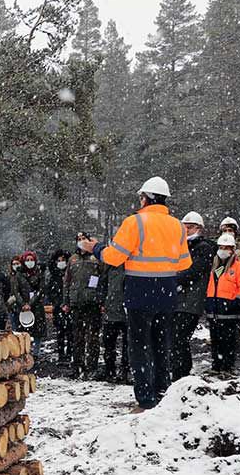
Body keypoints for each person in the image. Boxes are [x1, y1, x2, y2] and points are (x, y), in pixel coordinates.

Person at [81, 176, 192, 412]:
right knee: (162, 343)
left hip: (140, 291)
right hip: (167, 291)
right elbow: (184, 263)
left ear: (146, 198)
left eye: (141, 197)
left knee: (140, 345)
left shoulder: (135, 222)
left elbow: (114, 257)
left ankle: (145, 398)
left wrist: (96, 248)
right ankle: (163, 391)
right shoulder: (177, 226)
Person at [171, 211, 217, 380]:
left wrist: (172, 278)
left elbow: (194, 272)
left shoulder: (203, 248)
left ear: (199, 229)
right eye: (184, 227)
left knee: (179, 338)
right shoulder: (183, 247)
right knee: (176, 338)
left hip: (191, 300)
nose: (186, 230)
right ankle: (178, 371)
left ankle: (181, 372)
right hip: (180, 299)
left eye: (190, 227)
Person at [205, 233, 240, 374]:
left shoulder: (239, 267)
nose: (223, 250)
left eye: (226, 247)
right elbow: (212, 286)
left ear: (232, 249)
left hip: (230, 313)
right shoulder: (216, 267)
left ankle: (227, 367)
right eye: (221, 247)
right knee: (216, 340)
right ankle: (217, 366)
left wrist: (235, 303)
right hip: (215, 311)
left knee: (229, 341)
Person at [63, 234, 104, 379]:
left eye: (84, 239)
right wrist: (66, 301)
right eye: (78, 240)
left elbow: (103, 279)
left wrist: (101, 300)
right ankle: (77, 366)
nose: (81, 242)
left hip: (92, 302)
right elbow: (67, 282)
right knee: (77, 337)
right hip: (76, 302)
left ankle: (92, 367)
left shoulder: (96, 257)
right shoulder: (72, 259)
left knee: (93, 337)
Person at [11, 251, 47, 358]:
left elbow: (41, 290)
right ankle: (24, 353)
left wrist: (30, 303)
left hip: (36, 306)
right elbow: (16, 291)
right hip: (21, 307)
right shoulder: (19, 274)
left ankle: (35, 353)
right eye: (27, 260)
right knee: (22, 331)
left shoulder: (39, 273)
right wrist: (23, 303)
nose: (29, 262)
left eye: (31, 260)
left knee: (37, 331)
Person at [99, 262, 129, 383]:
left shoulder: (132, 263)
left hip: (127, 310)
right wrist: (102, 300)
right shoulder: (110, 265)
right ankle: (110, 370)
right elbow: (102, 284)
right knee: (109, 343)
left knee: (128, 343)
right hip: (111, 309)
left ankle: (125, 370)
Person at [45, 250, 72, 365]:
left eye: (63, 260)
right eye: (59, 261)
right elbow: (51, 292)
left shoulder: (71, 274)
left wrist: (68, 303)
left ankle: (70, 353)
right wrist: (58, 303)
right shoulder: (54, 276)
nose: (61, 263)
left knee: (71, 332)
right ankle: (61, 354)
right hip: (58, 307)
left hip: (70, 306)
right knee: (60, 332)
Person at [7, 255, 24, 329]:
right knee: (15, 329)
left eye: (17, 263)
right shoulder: (10, 277)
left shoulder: (23, 276)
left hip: (23, 306)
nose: (15, 266)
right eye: (14, 264)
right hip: (13, 307)